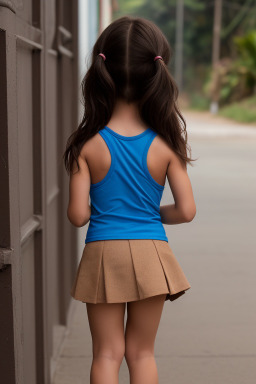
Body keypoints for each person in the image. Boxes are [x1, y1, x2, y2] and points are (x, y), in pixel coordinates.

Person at [63, 15, 196, 384]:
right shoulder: (166, 145)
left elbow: (77, 216)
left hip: (103, 252)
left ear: (101, 70)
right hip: (152, 251)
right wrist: (150, 213)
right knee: (142, 353)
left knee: (106, 354)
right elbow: (186, 211)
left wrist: (104, 209)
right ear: (157, 69)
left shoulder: (86, 146)